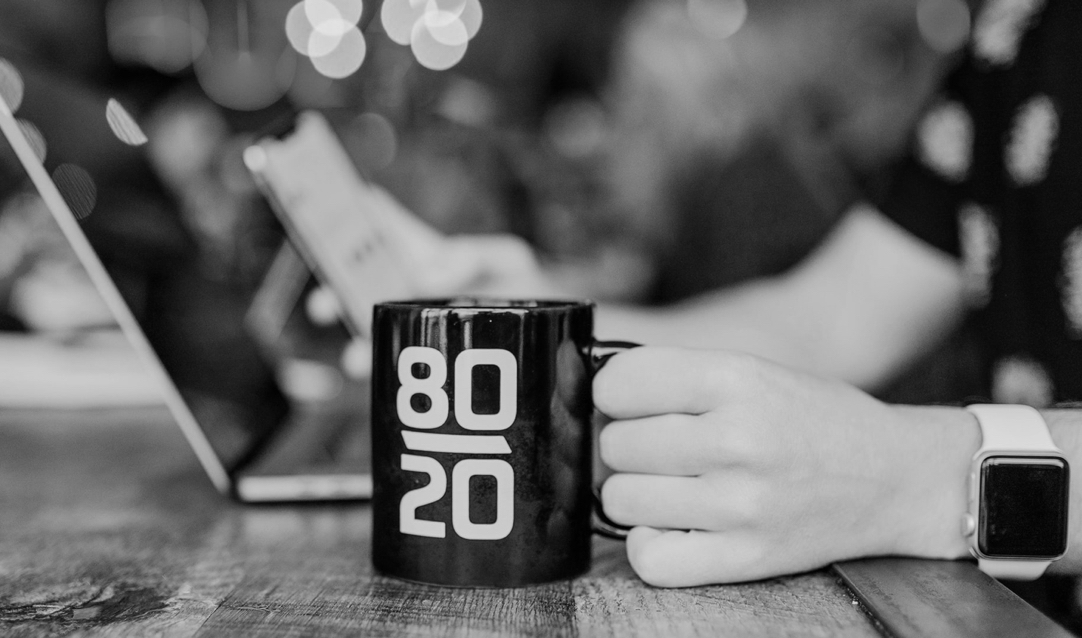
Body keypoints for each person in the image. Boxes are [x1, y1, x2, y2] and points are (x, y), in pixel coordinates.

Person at [313, 0, 1080, 587]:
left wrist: (914, 479)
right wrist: (525, 315)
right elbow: (828, 319)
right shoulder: (1013, 34)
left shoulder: (747, 189)